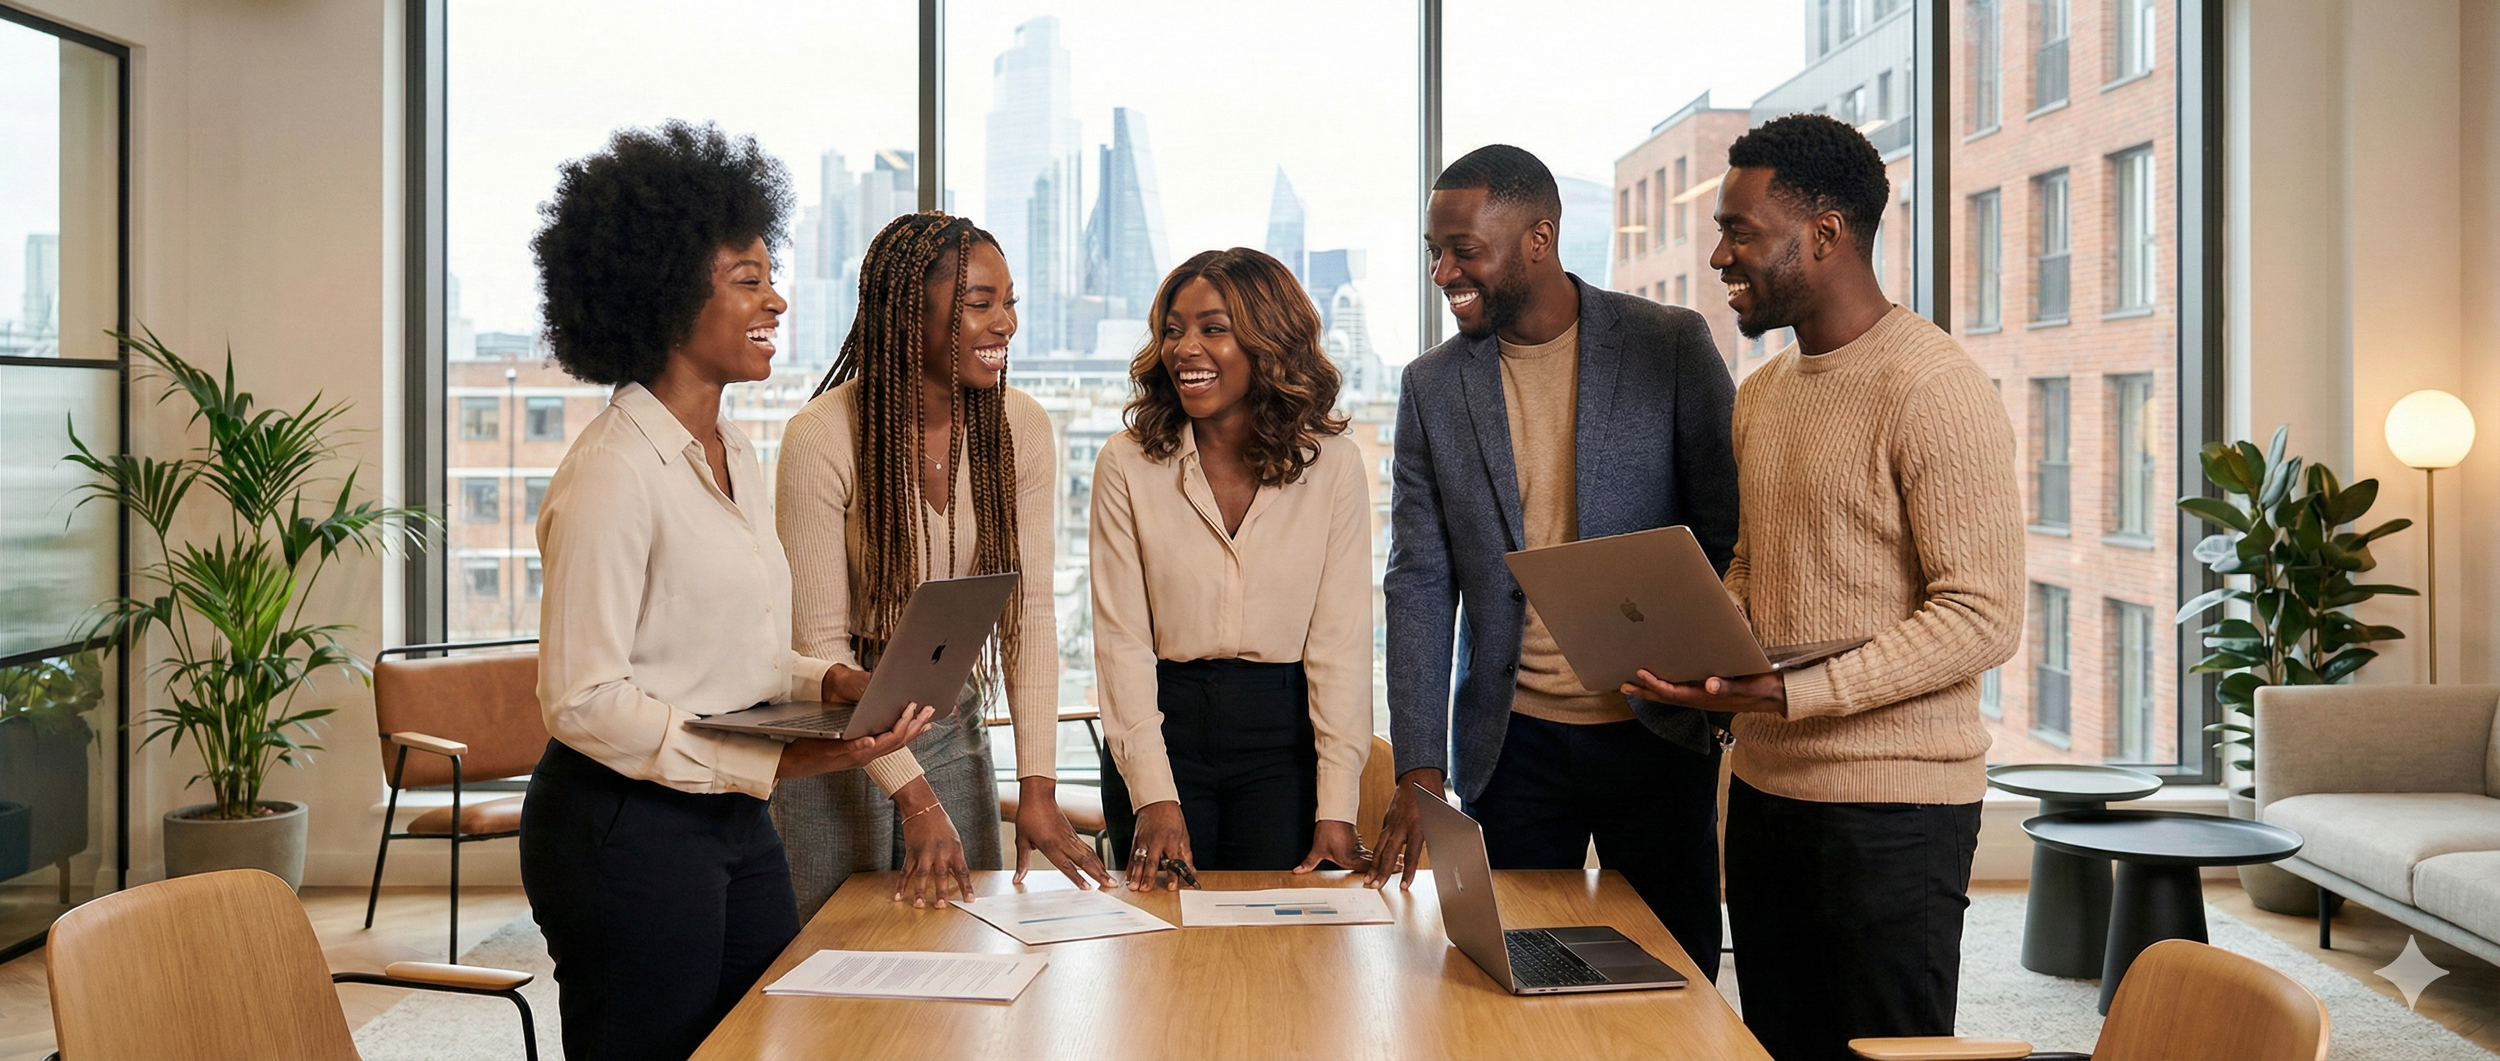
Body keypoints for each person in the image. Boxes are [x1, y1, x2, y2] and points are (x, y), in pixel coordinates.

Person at [523, 121, 938, 1061]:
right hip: (622, 824)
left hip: (730, 819)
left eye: (770, 277)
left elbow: (719, 646)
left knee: (759, 1036)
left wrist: (828, 681)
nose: (776, 299)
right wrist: (773, 765)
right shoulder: (612, 473)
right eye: (748, 279)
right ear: (669, 294)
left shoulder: (735, 451)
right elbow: (582, 698)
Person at [1623, 114, 2024, 1060]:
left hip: (1896, 810)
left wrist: (1791, 691)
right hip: (1765, 789)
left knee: (1884, 1053)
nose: (1719, 256)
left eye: (1741, 232)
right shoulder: (1763, 394)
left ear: (1826, 233)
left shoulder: (1934, 386)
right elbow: (1758, 567)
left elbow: (1983, 616)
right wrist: (1703, 643)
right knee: (1775, 1044)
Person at [1368, 144, 1739, 972]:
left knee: (1676, 972)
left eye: (1463, 250)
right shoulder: (1431, 386)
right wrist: (1420, 764)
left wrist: (1719, 690)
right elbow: (1419, 578)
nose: (1442, 272)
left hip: (1654, 726)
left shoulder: (1669, 344)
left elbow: (1729, 531)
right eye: (1434, 251)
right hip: (1512, 741)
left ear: (1539, 239)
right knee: (1513, 968)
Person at [774, 212, 1113, 917]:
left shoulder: (1020, 425)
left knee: (964, 938)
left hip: (949, 713)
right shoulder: (822, 436)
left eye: (1010, 302)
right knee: (834, 944)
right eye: (979, 304)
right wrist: (915, 799)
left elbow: (1028, 616)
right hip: (834, 730)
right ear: (907, 318)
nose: (1005, 324)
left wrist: (1040, 788)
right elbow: (819, 645)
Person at [1092, 247, 1375, 884]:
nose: (1185, 348)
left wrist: (1337, 804)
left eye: (1213, 329)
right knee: (1163, 934)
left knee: (1278, 935)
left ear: (1268, 342)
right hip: (1162, 730)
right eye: (1173, 330)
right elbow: (1120, 643)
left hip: (1284, 745)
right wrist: (1154, 796)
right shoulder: (1125, 463)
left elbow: (1341, 645)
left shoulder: (1333, 465)